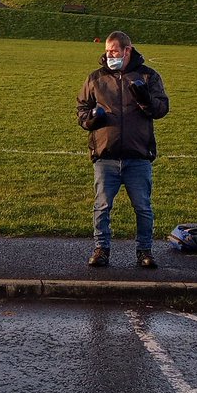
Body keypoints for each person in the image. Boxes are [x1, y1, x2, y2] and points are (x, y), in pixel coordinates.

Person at [76, 30, 169, 269]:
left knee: (143, 207)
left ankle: (144, 251)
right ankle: (101, 249)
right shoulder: (96, 78)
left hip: (138, 155)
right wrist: (92, 118)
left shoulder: (148, 76)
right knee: (102, 207)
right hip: (106, 155)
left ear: (127, 50)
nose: (110, 55)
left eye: (114, 51)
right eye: (107, 51)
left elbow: (161, 109)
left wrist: (146, 100)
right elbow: (82, 110)